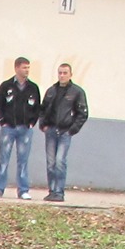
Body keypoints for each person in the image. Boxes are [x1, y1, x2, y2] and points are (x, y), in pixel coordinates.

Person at [0, 56, 41, 200]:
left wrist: (32, 122)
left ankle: (23, 190)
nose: (27, 70)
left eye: (28, 68)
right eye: (24, 67)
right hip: (8, 128)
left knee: (23, 160)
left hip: (25, 129)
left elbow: (37, 108)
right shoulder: (6, 86)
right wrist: (3, 122)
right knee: (4, 159)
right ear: (17, 68)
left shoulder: (33, 87)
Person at [39, 62, 89, 202]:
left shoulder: (77, 92)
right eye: (60, 73)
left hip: (65, 132)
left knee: (60, 161)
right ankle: (51, 191)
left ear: (70, 74)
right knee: (50, 163)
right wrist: (43, 125)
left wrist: (72, 130)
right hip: (50, 131)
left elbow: (82, 113)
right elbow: (42, 109)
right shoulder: (51, 91)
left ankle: (59, 192)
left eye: (65, 73)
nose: (62, 75)